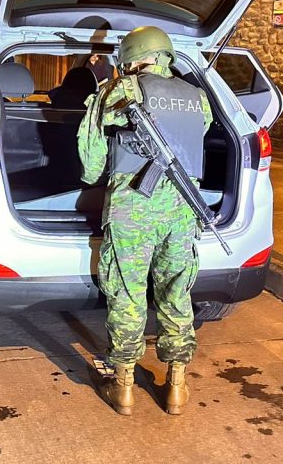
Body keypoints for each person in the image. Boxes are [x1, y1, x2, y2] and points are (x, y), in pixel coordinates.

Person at [77, 25, 212, 416]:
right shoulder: (198, 97)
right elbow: (198, 136)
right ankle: (176, 385)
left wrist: (92, 178)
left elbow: (90, 157)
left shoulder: (122, 91)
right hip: (184, 205)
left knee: (128, 292)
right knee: (176, 291)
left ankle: (122, 387)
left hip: (134, 204)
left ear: (133, 56)